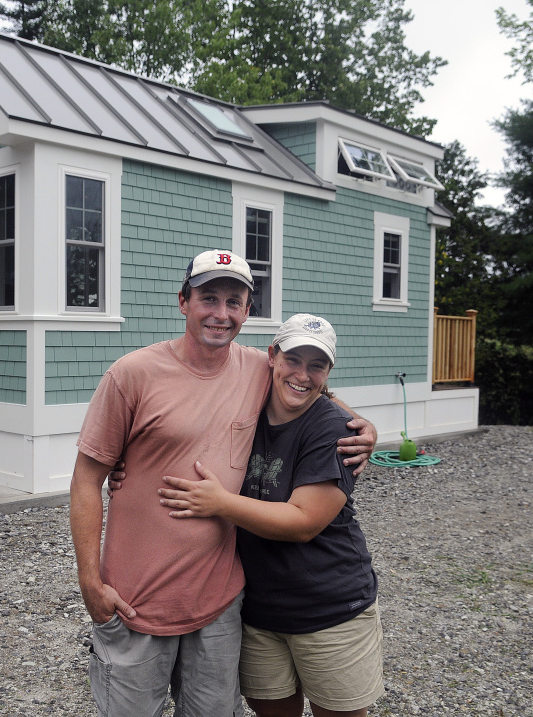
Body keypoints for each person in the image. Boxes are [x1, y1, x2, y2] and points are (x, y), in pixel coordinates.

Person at [69, 250, 377, 717]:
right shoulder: (131, 375)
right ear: (183, 302)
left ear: (247, 312)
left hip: (220, 605)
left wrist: (364, 425)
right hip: (135, 602)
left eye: (234, 302)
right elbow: (86, 480)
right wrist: (90, 582)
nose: (221, 313)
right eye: (208, 298)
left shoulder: (256, 367)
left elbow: (307, 384)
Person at [157, 313, 383, 717]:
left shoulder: (335, 431)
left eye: (317, 365)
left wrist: (219, 503)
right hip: (259, 612)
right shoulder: (245, 407)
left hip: (330, 609)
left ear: (328, 371)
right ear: (272, 357)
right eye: (293, 359)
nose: (302, 374)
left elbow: (303, 523)